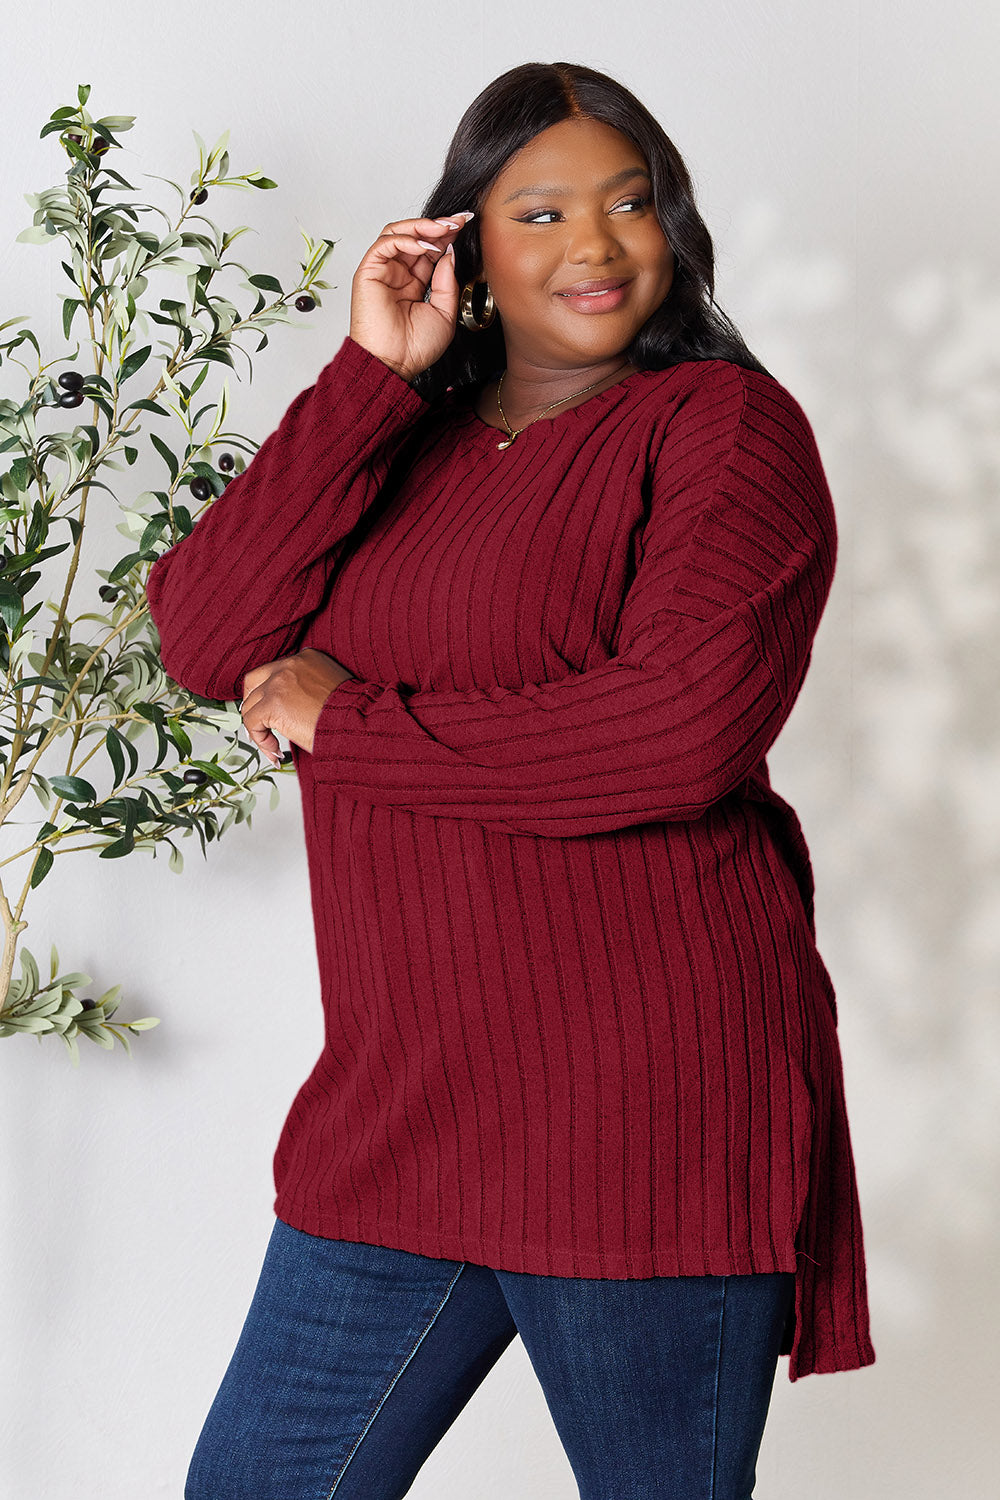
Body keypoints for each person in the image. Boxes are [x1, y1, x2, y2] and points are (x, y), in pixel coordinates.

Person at [147, 59, 876, 1500]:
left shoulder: (722, 431)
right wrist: (370, 380)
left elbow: (676, 729)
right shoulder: (399, 442)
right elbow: (210, 636)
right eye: (539, 211)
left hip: (640, 1108)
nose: (596, 247)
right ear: (466, 242)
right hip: (404, 1107)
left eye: (630, 203)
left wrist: (351, 727)